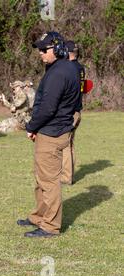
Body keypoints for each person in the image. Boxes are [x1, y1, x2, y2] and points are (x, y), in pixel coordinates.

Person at [17, 32, 80, 238]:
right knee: (42, 178)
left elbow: (47, 108)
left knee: (49, 182)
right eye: (39, 49)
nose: (41, 53)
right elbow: (76, 104)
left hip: (51, 133)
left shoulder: (58, 73)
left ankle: (50, 226)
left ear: (59, 49)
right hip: (57, 129)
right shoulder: (70, 68)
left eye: (45, 49)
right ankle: (39, 216)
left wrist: (31, 126)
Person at [61, 40, 85, 185]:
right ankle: (69, 173)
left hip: (70, 112)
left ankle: (66, 176)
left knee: (65, 144)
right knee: (70, 144)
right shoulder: (80, 67)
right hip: (77, 110)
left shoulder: (69, 68)